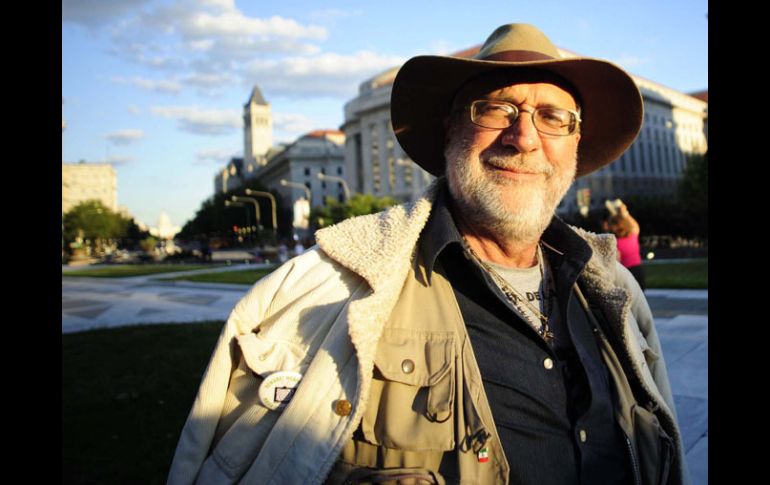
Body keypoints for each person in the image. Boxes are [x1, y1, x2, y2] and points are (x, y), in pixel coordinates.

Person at [167, 24, 688, 485]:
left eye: (553, 117)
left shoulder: (615, 294)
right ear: (450, 132)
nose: (524, 138)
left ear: (575, 144)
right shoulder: (318, 297)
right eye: (496, 109)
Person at [606, 200, 646, 290]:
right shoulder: (633, 235)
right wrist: (624, 212)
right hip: (639, 270)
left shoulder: (614, 243)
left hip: (627, 274)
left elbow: (617, 263)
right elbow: (634, 224)